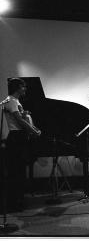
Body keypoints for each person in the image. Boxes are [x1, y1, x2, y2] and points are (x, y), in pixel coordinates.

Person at [1, 78, 41, 211]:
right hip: (16, 137)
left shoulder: (15, 101)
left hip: (19, 137)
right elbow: (19, 121)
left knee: (19, 171)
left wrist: (26, 115)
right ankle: (13, 203)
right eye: (23, 87)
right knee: (16, 172)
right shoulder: (11, 101)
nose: (25, 89)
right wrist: (34, 131)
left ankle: (18, 201)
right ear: (18, 88)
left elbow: (21, 117)